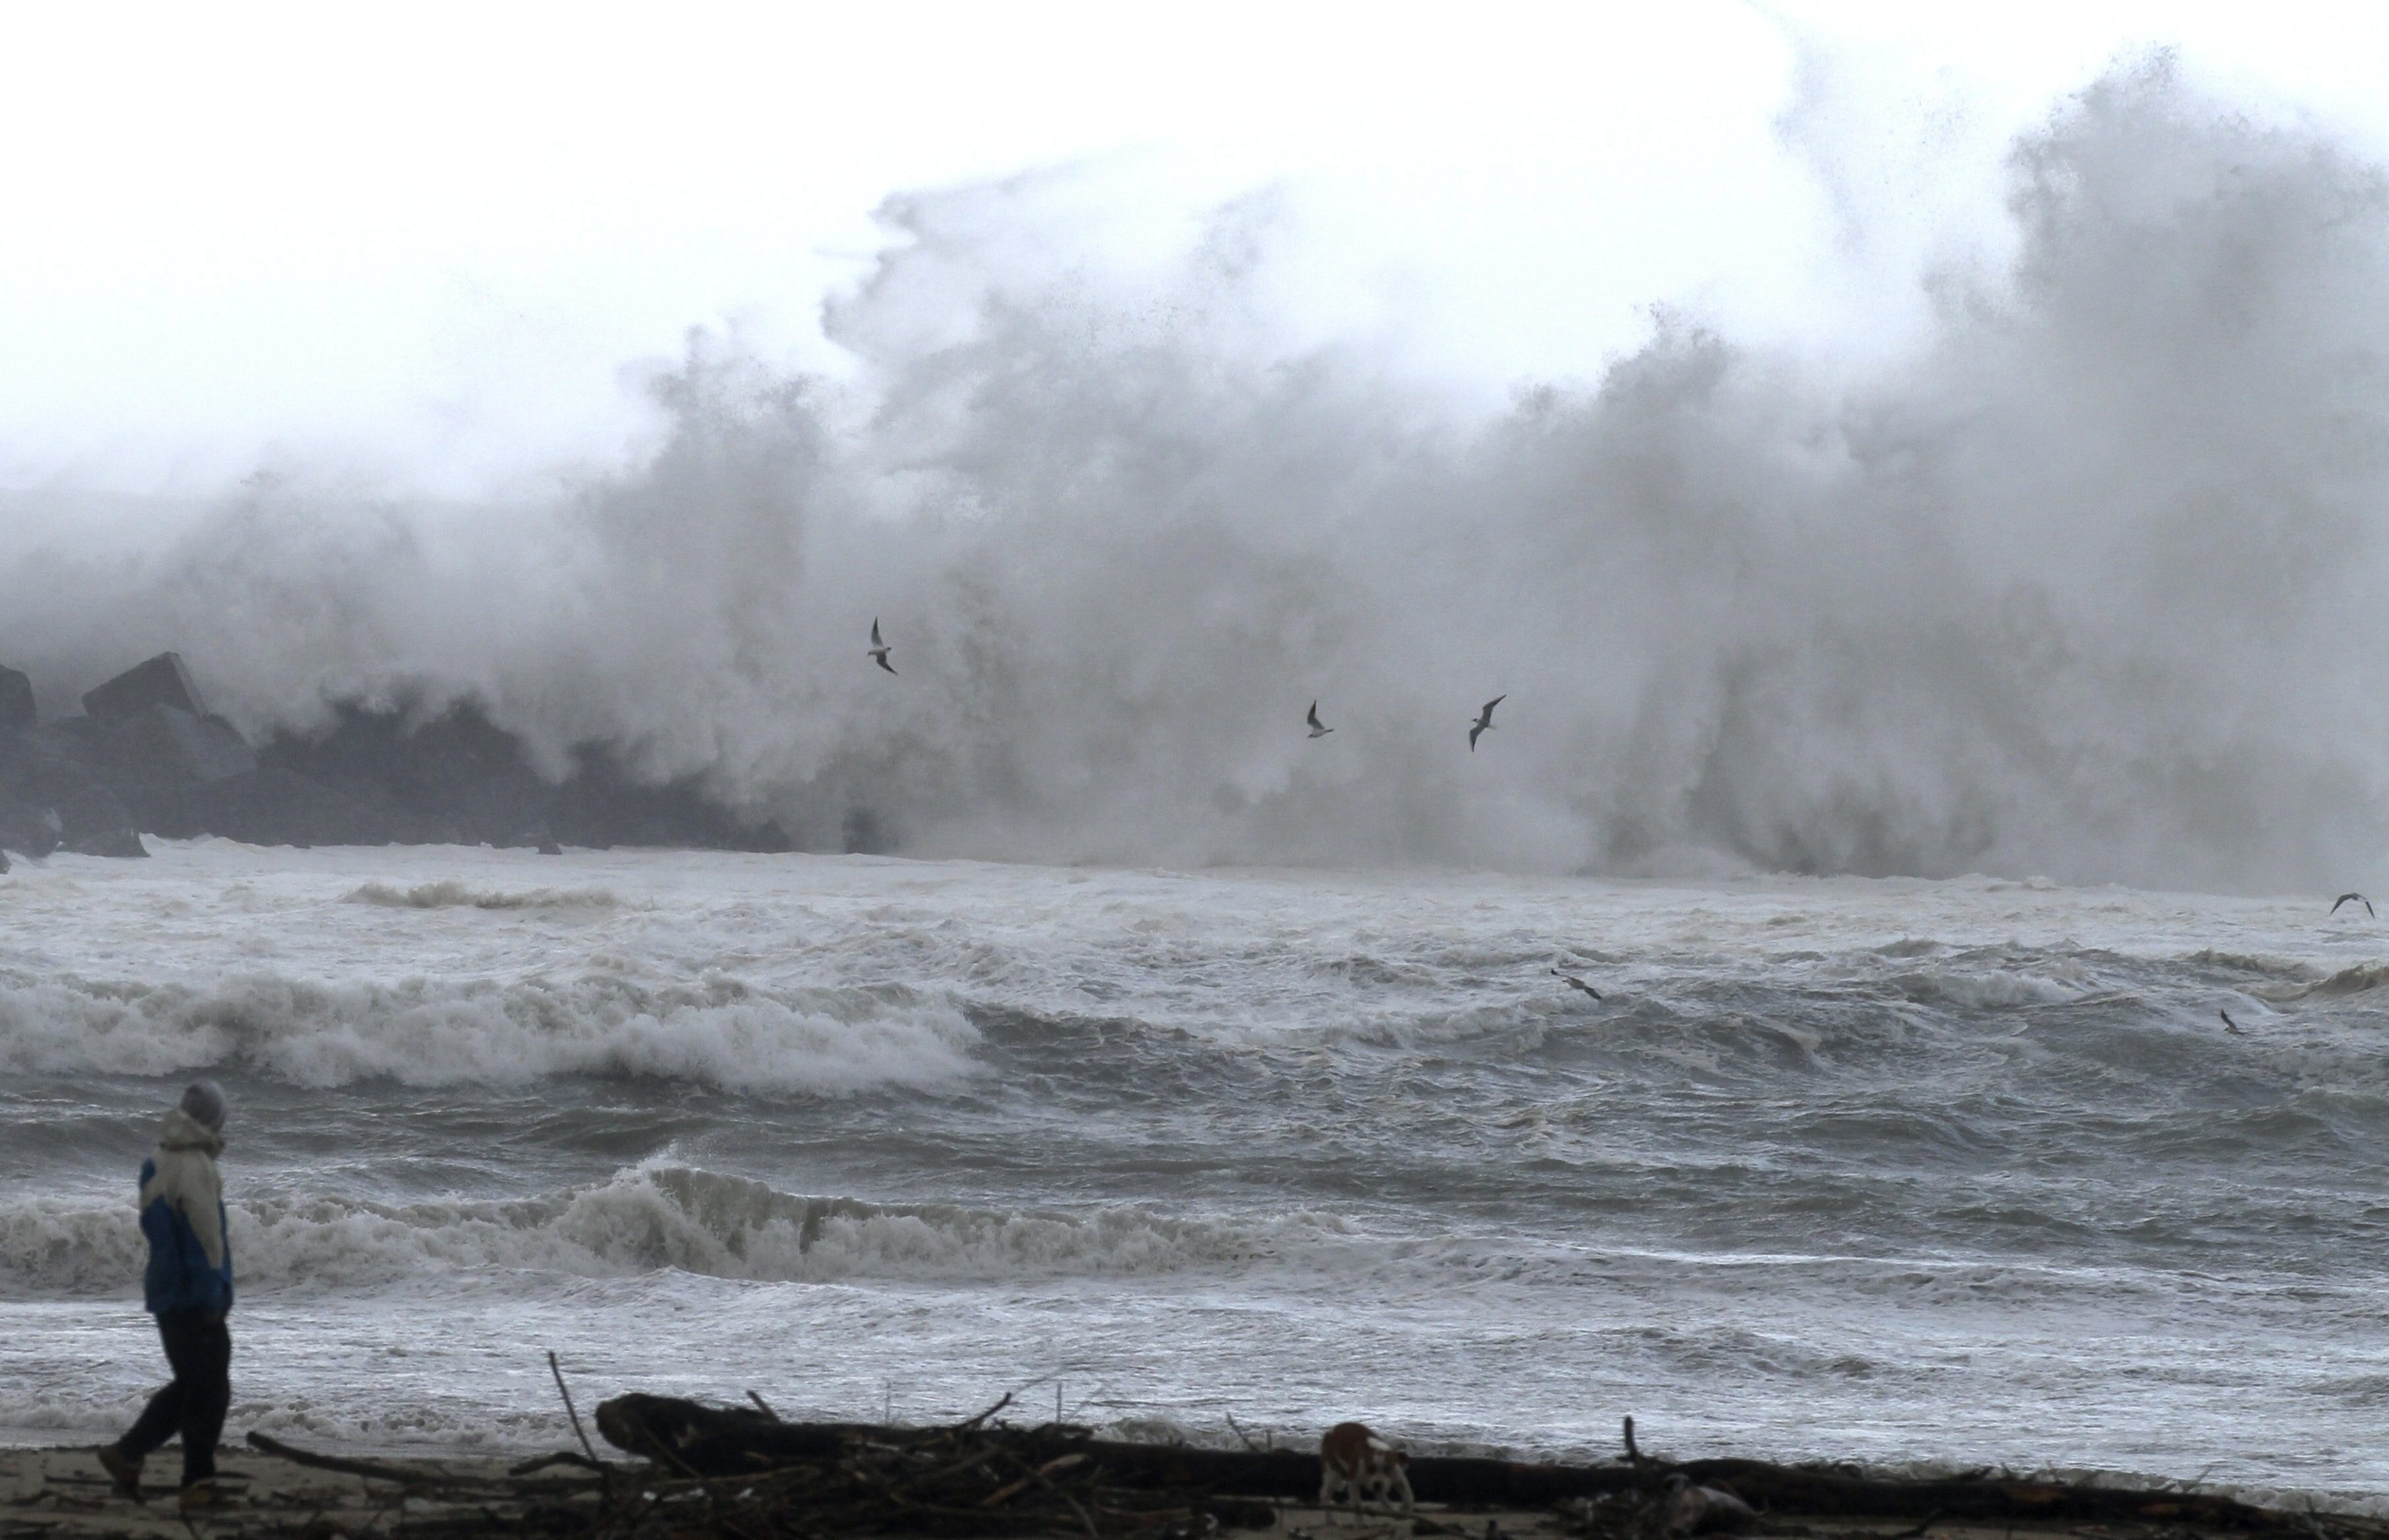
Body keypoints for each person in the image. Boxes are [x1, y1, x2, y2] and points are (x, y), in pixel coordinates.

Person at [96, 1080, 235, 1512]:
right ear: (213, 1120)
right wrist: (212, 1293)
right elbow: (204, 1238)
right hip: (194, 1295)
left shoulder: (156, 1162)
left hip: (166, 1290)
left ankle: (127, 1454)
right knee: (209, 1389)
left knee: (194, 1385)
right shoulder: (196, 1166)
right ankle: (197, 1482)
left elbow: (162, 1233)